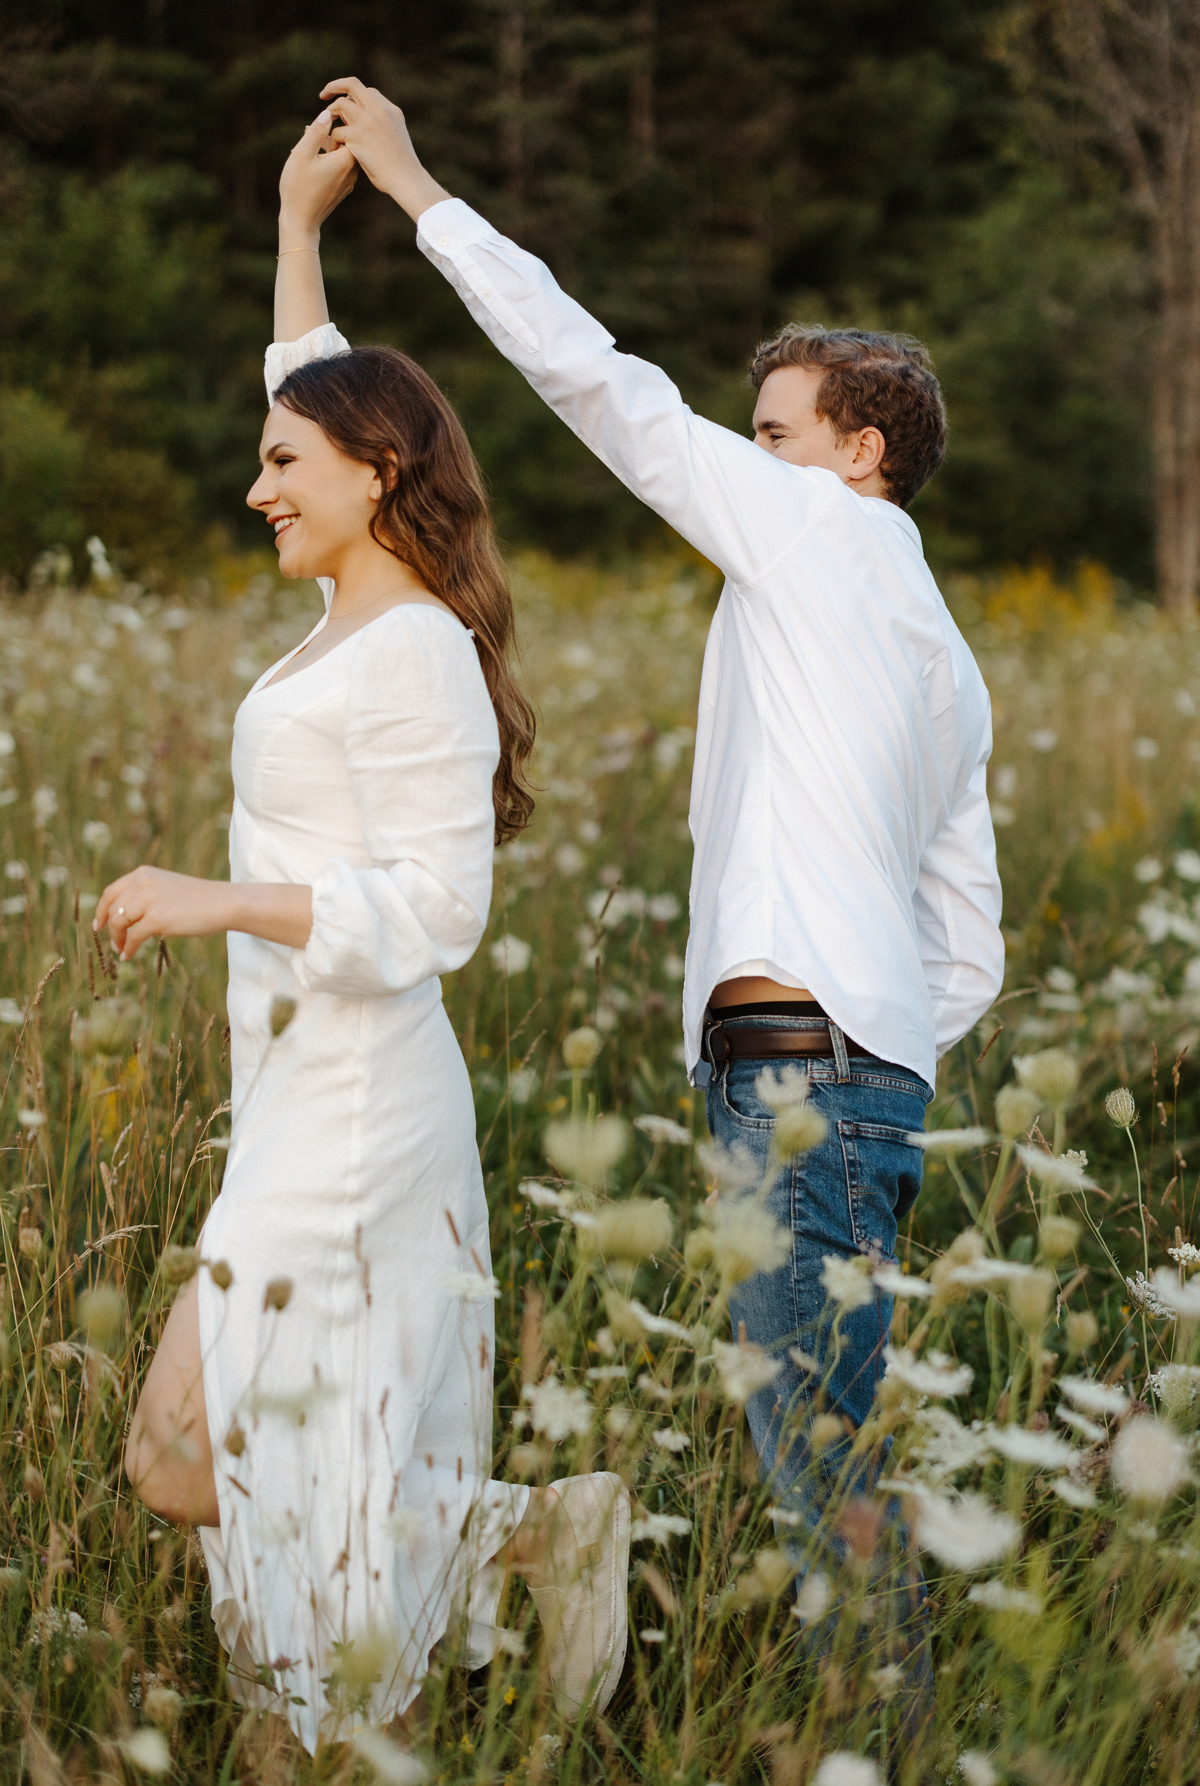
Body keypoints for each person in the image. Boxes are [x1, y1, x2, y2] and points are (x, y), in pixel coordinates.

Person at [304, 75, 1005, 1714]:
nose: (746, 462)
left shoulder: (811, 534)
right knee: (830, 1435)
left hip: (795, 1071)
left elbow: (597, 382)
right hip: (873, 1082)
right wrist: (876, 1044)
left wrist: (418, 193)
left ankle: (887, 1735)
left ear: (860, 454)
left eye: (774, 434)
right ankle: (879, 1718)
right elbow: (966, 945)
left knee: (818, 1453)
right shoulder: (951, 659)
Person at [94, 114, 630, 1753]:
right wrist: (296, 226)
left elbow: (440, 909)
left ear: (376, 476)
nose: (257, 485)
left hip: (355, 1116)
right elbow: (316, 383)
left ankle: (338, 1699)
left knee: (195, 1456)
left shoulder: (417, 656)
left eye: (282, 465)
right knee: (230, 1455)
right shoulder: (349, 614)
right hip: (293, 1092)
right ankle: (519, 1539)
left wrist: (218, 899)